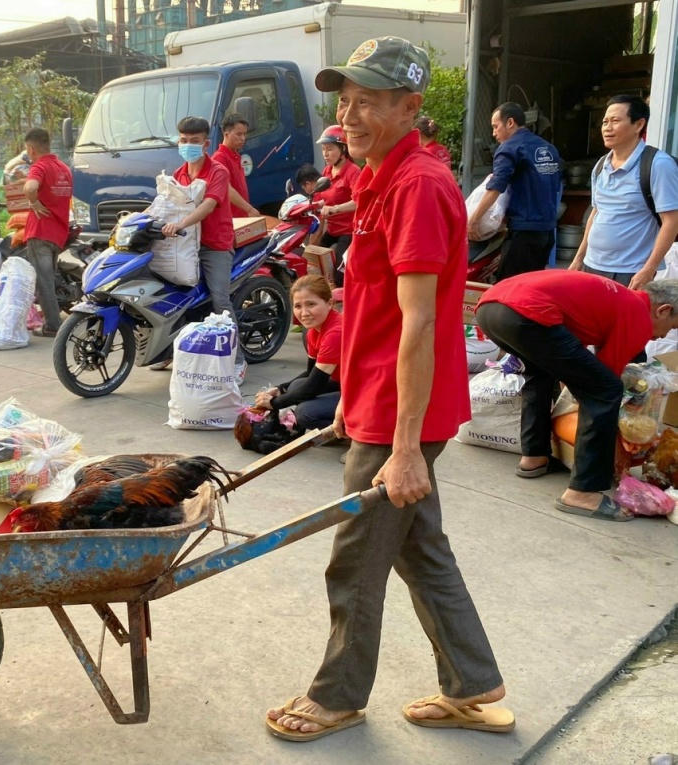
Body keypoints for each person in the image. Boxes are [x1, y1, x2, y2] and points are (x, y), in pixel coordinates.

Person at [266, 36, 512, 742]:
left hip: (407, 409)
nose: (350, 116)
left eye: (369, 101)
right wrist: (350, 392)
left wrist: (404, 447)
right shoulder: (378, 177)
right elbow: (372, 311)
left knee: (355, 557)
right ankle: (475, 685)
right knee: (418, 546)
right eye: (346, 101)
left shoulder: (418, 187)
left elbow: (421, 323)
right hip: (379, 395)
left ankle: (337, 696)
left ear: (410, 108)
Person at [477, 271, 678, 521]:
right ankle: (583, 493)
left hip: (491, 309)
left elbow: (577, 356)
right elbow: (606, 378)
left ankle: (534, 456)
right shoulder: (638, 315)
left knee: (539, 375)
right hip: (527, 313)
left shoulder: (620, 300)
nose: (664, 336)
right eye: (672, 327)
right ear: (663, 310)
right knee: (606, 391)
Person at [161, 116, 246, 378]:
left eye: (194, 141)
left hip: (215, 244)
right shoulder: (179, 174)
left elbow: (209, 205)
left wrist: (181, 223)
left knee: (220, 299)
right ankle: (171, 351)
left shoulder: (217, 171)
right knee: (174, 297)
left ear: (206, 143)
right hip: (186, 244)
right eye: (184, 140)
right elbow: (166, 203)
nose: (188, 145)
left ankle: (238, 361)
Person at [568, 95, 678, 290]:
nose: (607, 128)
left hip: (631, 271)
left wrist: (648, 269)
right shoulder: (601, 165)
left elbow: (671, 221)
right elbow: (596, 213)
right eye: (605, 122)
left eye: (615, 121)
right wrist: (579, 259)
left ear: (639, 125)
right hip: (592, 266)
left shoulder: (658, 164)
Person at [467, 102, 561, 280]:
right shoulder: (549, 148)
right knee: (532, 285)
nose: (494, 133)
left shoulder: (510, 147)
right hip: (547, 233)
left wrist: (473, 221)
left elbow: (496, 186)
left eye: (496, 126)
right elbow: (553, 186)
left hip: (524, 234)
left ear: (510, 123)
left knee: (509, 286)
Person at [254, 275, 340, 429]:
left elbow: (314, 386)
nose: (304, 313)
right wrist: (280, 389)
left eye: (311, 304)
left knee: (305, 413)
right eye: (298, 306)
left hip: (365, 392)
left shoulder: (335, 333)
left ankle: (355, 434)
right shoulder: (313, 331)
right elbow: (310, 373)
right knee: (295, 386)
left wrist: (274, 403)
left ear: (329, 303)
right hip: (342, 383)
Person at [21, 127, 72, 338]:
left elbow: (30, 187)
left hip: (40, 232)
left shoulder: (39, 166)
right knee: (48, 279)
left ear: (31, 149)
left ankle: (53, 325)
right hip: (58, 233)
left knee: (44, 282)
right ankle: (51, 318)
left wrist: (33, 202)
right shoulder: (64, 168)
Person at [312, 125, 360, 257]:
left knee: (339, 266)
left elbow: (359, 201)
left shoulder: (353, 171)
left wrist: (335, 209)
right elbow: (320, 199)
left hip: (348, 231)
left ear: (343, 149)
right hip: (332, 230)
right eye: (323, 149)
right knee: (315, 258)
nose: (325, 154)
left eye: (329, 149)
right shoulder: (327, 171)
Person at [211, 113, 259, 218]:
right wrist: (249, 209)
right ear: (226, 134)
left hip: (241, 217)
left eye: (244, 134)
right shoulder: (219, 158)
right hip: (231, 220)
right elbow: (226, 188)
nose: (243, 138)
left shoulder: (235, 155)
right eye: (239, 134)